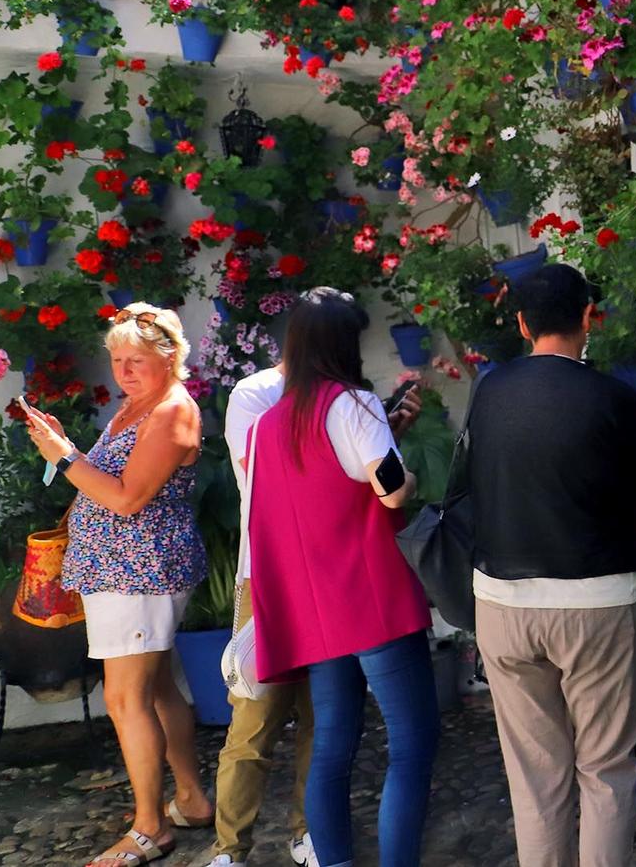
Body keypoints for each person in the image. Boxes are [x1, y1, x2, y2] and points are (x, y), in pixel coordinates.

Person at [198, 317, 423, 867]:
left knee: (329, 747)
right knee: (411, 748)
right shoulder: (354, 402)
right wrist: (403, 468)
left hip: (312, 600)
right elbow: (390, 491)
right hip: (370, 595)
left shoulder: (271, 422)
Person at [454, 262, 636, 867]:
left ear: (521, 324)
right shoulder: (614, 397)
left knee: (536, 780)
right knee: (606, 772)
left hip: (503, 604)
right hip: (595, 605)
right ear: (588, 318)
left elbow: (466, 486)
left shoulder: (490, 391)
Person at [25, 304, 212, 867]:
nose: (125, 372)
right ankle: (192, 799)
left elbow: (128, 497)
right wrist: (70, 452)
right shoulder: (137, 407)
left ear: (170, 358)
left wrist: (64, 459)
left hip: (141, 571)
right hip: (122, 571)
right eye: (117, 360)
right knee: (154, 690)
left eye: (137, 361)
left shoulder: (173, 412)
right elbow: (107, 479)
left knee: (124, 697)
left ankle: (150, 828)